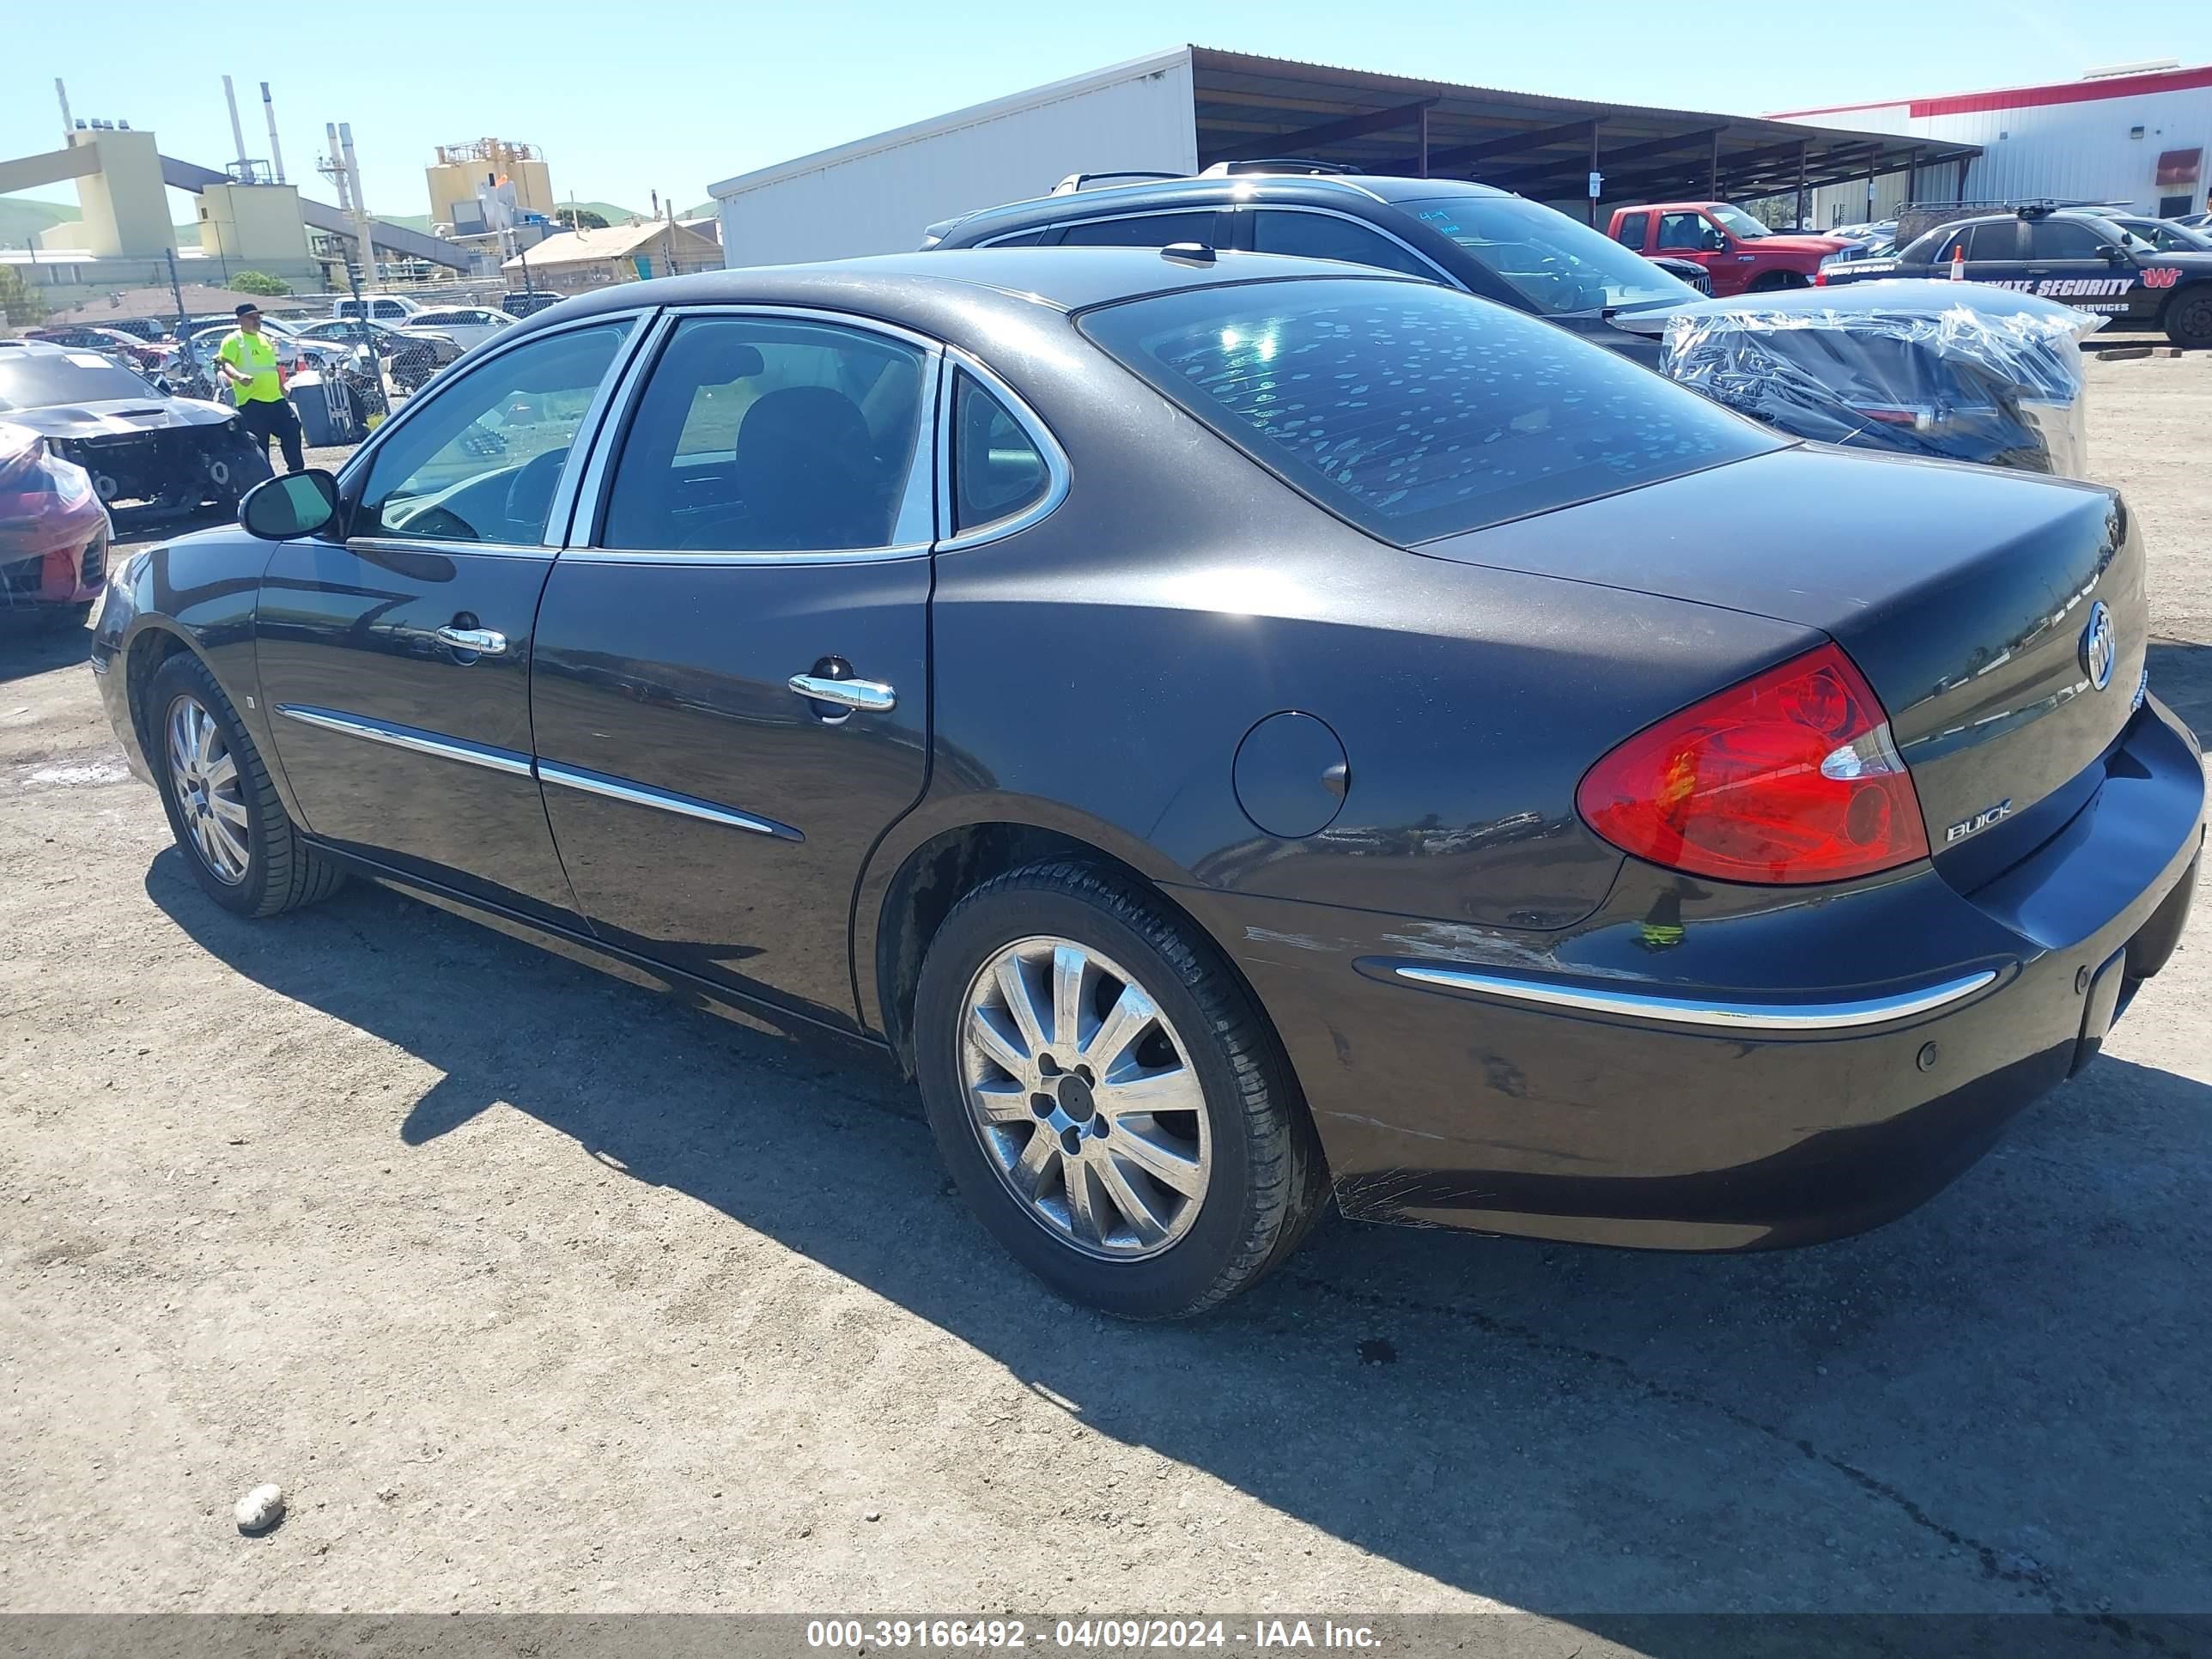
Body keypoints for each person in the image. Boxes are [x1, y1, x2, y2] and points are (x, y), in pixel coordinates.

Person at [214, 302, 305, 474]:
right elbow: (226, 365)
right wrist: (239, 377)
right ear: (240, 320)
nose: (257, 321)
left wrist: (282, 388)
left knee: (292, 429)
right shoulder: (233, 340)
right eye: (252, 318)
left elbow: (272, 367)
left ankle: (297, 472)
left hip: (275, 398)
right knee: (259, 444)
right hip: (252, 401)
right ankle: (265, 479)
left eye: (258, 317)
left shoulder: (264, 339)